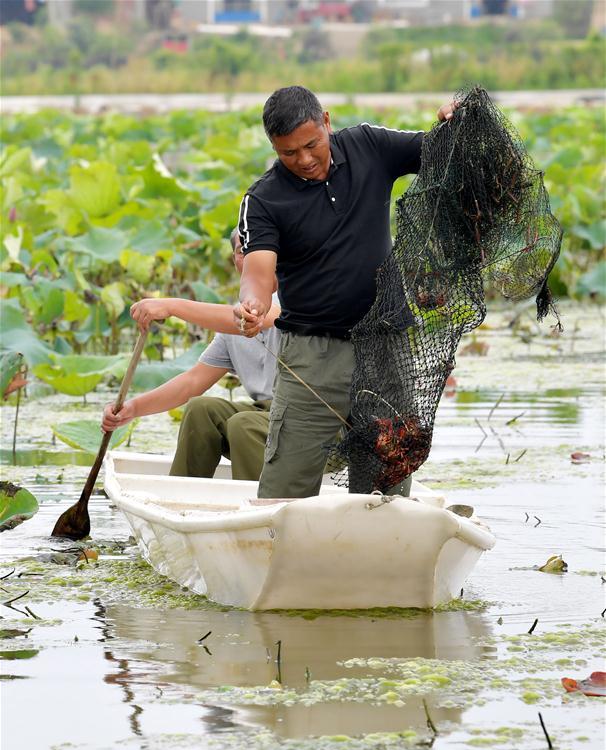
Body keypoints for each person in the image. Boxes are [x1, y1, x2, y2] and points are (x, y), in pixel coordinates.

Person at [234, 85, 456, 500]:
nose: (303, 160)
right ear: (273, 148)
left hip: (386, 350)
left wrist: (450, 125)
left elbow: (435, 150)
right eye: (288, 153)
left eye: (311, 145)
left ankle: (378, 557)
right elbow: (258, 273)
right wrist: (252, 305)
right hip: (313, 358)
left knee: (386, 488)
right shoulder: (263, 200)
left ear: (327, 123)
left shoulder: (368, 145)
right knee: (284, 492)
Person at [102, 230, 280, 480]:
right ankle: (182, 495)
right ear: (236, 261)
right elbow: (192, 381)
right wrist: (131, 408)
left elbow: (261, 318)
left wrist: (171, 306)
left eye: (258, 248)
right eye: (243, 251)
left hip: (309, 419)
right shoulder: (232, 323)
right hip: (265, 415)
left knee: (243, 425)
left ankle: (254, 507)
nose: (251, 257)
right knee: (200, 409)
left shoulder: (296, 299)